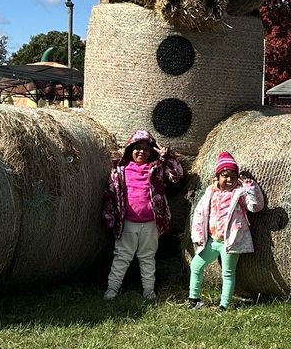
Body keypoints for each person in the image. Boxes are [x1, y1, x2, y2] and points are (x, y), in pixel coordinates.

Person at [102, 129, 183, 300]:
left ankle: (149, 291)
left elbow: (176, 177)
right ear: (129, 149)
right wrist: (109, 217)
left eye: (146, 149)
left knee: (147, 257)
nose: (141, 152)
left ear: (151, 151)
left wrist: (168, 158)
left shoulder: (157, 168)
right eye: (137, 148)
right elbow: (110, 192)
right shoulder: (120, 170)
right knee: (122, 256)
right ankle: (112, 289)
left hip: (151, 223)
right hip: (128, 222)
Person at [188, 150, 264, 312]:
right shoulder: (210, 193)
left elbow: (256, 207)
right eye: (225, 175)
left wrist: (250, 187)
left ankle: (224, 305)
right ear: (217, 176)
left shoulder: (240, 193)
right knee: (196, 265)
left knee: (228, 273)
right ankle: (194, 298)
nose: (229, 179)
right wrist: (198, 235)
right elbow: (199, 214)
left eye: (233, 176)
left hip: (231, 241)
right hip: (212, 241)